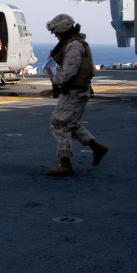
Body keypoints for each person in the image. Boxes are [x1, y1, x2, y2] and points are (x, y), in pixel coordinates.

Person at [44, 14, 108, 177]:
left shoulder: (73, 46)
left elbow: (68, 73)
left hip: (73, 93)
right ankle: (96, 147)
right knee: (68, 123)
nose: (55, 35)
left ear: (63, 30)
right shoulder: (75, 44)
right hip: (76, 91)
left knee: (58, 123)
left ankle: (65, 163)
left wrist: (54, 77)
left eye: (56, 32)